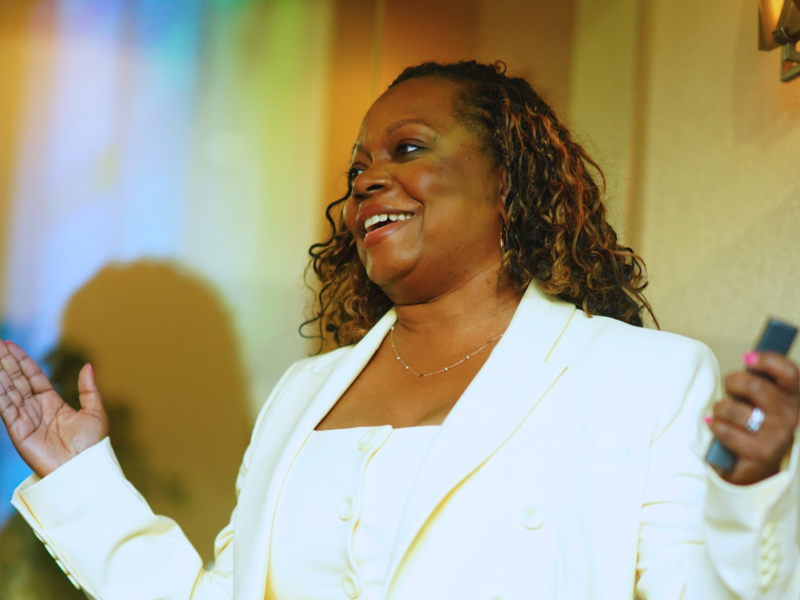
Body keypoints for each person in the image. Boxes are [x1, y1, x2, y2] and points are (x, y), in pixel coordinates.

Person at [1, 60, 798, 600]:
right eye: (357, 168)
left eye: (407, 149)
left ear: (507, 181)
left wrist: (751, 492)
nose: (367, 180)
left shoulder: (645, 379)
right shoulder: (303, 394)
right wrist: (79, 480)